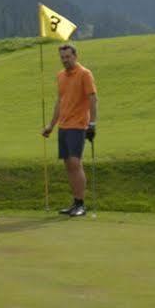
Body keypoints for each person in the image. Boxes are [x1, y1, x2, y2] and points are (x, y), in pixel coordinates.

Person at [39, 42, 97, 216]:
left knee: (75, 163)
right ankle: (75, 203)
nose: (65, 60)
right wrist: (51, 125)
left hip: (78, 125)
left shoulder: (85, 74)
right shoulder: (61, 76)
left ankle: (81, 205)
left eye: (68, 57)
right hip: (63, 126)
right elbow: (60, 101)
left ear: (75, 56)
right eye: (62, 57)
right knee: (68, 165)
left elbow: (93, 99)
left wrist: (92, 124)